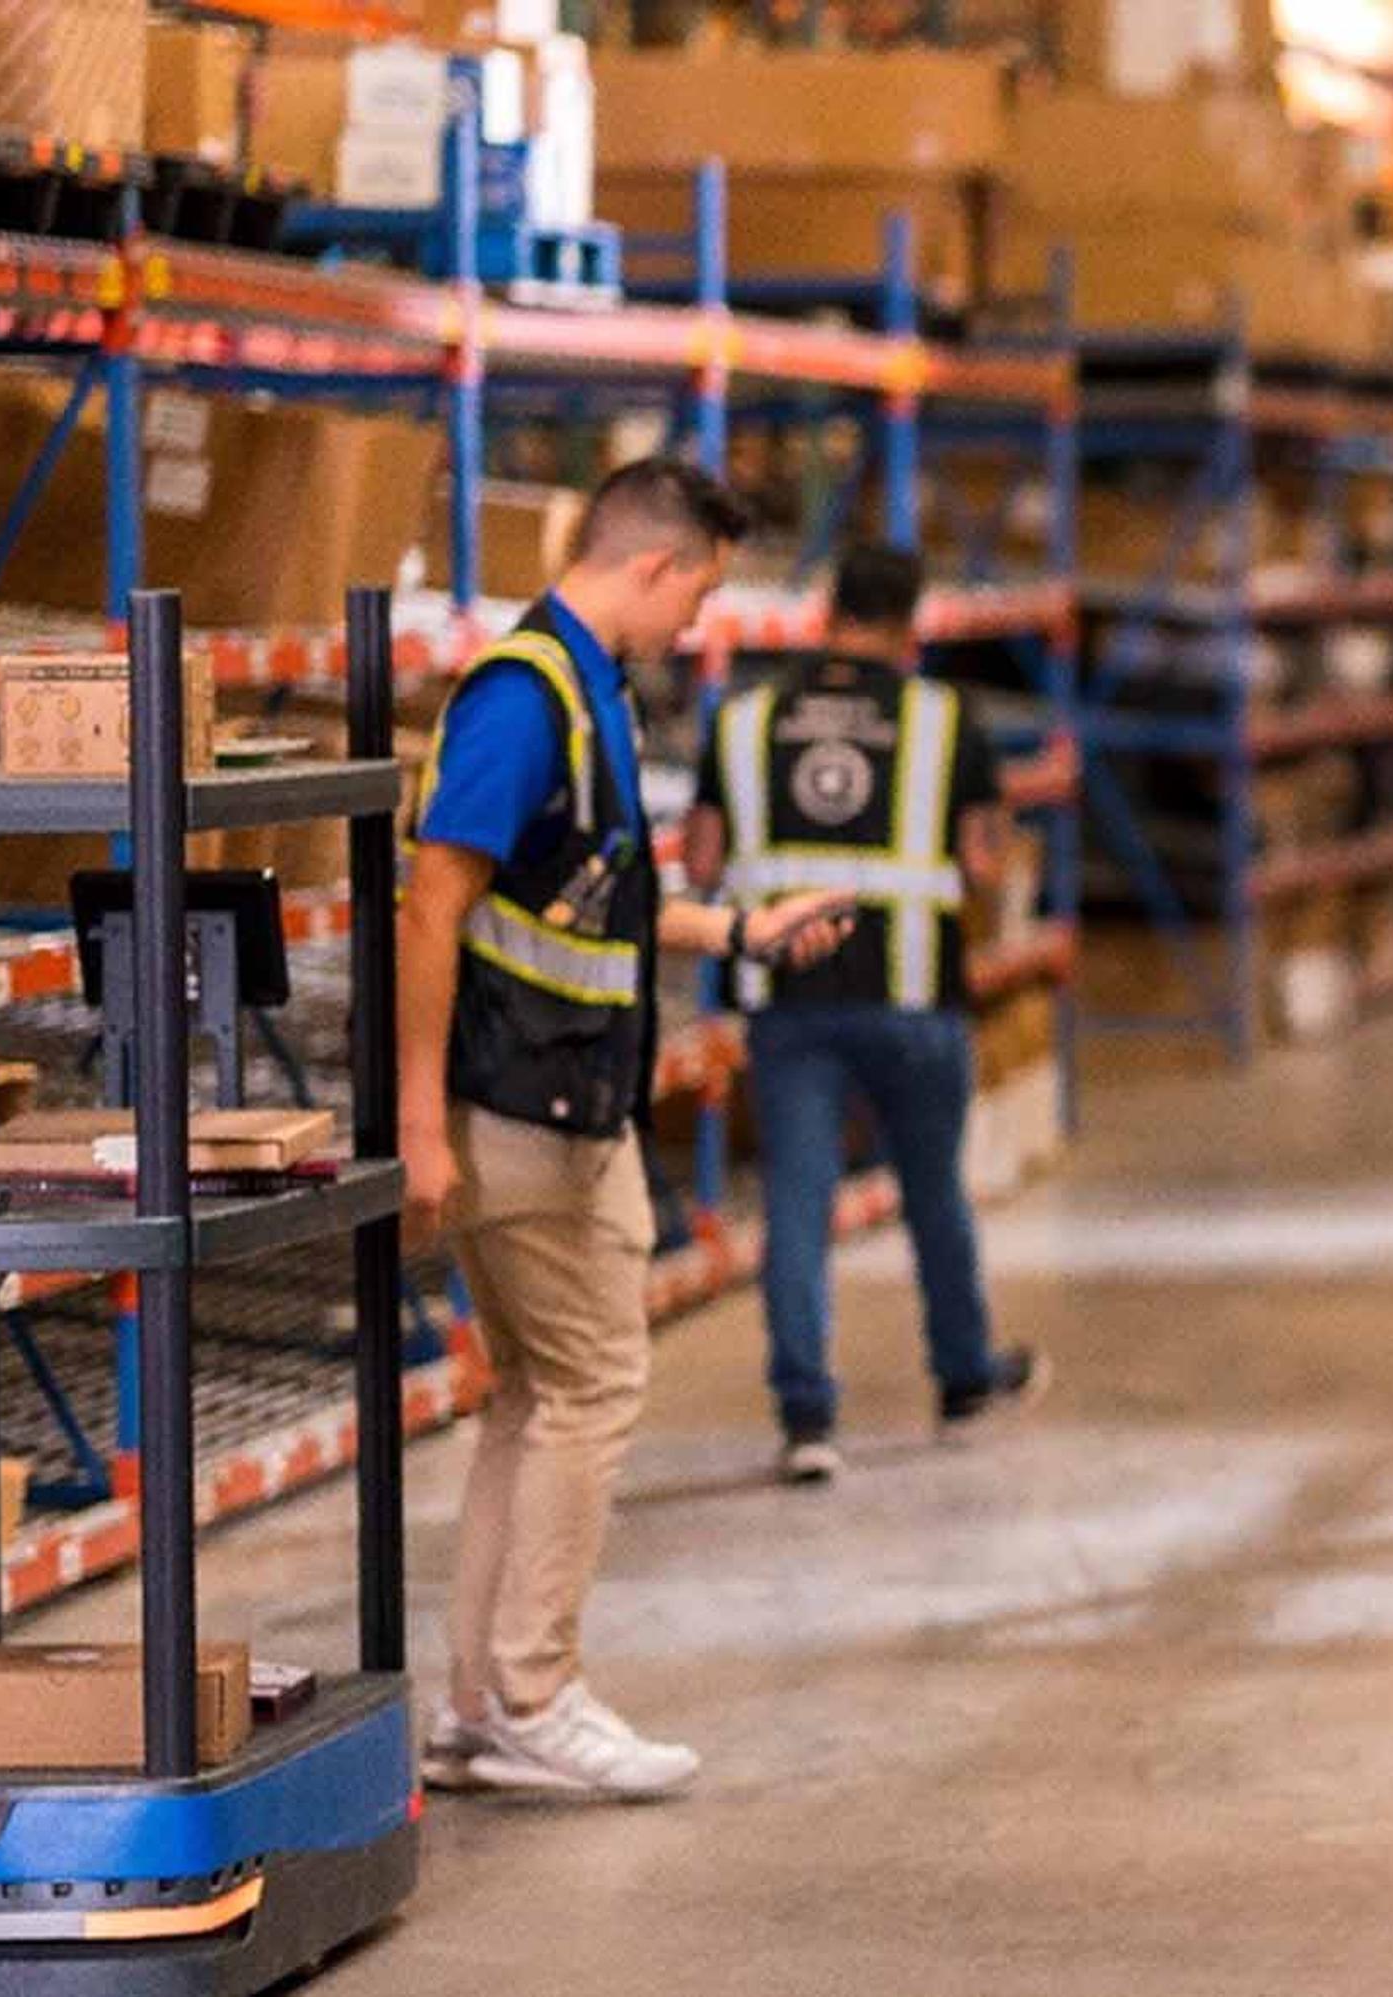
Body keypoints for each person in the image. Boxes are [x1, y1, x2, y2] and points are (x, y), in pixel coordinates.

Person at [398, 458, 856, 1801]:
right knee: (593, 1386)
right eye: (697, 594)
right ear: (654, 565)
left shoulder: (587, 688)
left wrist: (739, 930)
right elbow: (433, 905)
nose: (695, 624)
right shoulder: (524, 696)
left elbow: (589, 902)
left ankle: (481, 1704)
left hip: (566, 1095)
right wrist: (421, 1118)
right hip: (521, 1104)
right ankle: (534, 1693)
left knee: (536, 1392)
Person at [682, 543, 1048, 1486]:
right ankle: (962, 1378)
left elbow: (702, 863)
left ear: (827, 610)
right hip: (914, 996)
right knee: (935, 1194)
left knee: (799, 1203)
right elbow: (984, 865)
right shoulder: (945, 719)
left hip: (790, 1001)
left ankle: (807, 1417)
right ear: (909, 621)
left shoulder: (744, 721)